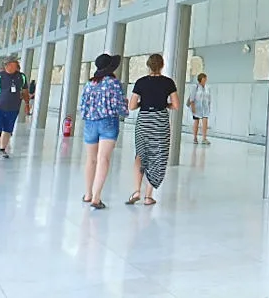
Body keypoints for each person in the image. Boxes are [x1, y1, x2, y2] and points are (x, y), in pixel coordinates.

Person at [126, 53, 178, 206]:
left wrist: (143, 103)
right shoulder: (168, 82)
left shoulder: (140, 82)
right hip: (160, 121)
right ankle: (148, 196)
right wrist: (165, 105)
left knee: (141, 154)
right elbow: (176, 105)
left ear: (148, 66)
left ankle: (136, 190)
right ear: (162, 65)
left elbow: (132, 106)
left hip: (144, 120)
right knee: (158, 156)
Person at [79, 54, 129, 210]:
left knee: (91, 159)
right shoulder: (113, 83)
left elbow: (82, 106)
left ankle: (87, 194)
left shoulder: (89, 84)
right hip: (108, 122)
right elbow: (119, 106)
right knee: (103, 159)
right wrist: (125, 109)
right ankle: (96, 197)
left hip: (90, 123)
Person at [0, 59, 29, 160]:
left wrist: (27, 104)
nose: (14, 67)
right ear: (7, 65)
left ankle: (2, 149)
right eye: (12, 65)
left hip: (13, 108)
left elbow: (25, 91)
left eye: (15, 65)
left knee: (7, 130)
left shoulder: (21, 77)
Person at [187, 72, 211, 145]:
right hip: (197, 108)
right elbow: (192, 98)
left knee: (205, 121)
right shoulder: (195, 87)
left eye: (205, 80)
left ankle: (204, 138)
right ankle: (195, 137)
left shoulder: (207, 88)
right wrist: (193, 107)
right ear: (200, 80)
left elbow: (209, 98)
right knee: (196, 122)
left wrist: (209, 106)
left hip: (205, 108)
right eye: (203, 80)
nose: (205, 81)